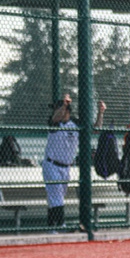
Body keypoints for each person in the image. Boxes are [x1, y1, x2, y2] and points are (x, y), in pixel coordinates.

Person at [43, 94, 106, 232]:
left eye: (59, 109)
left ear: (68, 111)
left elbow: (96, 129)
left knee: (55, 198)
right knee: (57, 196)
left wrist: (100, 113)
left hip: (66, 167)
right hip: (51, 164)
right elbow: (55, 117)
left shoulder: (76, 124)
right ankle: (61, 225)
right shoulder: (54, 122)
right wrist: (64, 105)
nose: (55, 111)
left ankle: (51, 228)